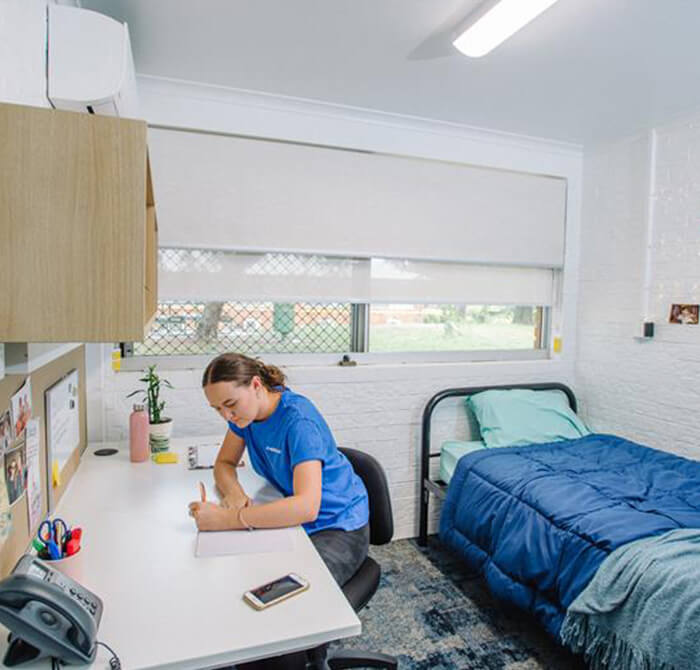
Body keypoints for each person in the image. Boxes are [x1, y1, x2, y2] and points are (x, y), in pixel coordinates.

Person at [189, 353, 371, 668]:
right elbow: (224, 463)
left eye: (230, 404)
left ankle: (301, 658)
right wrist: (234, 493)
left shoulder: (297, 420)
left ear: (256, 385)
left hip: (339, 525)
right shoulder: (246, 417)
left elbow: (307, 506)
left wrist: (228, 519)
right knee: (246, 593)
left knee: (280, 609)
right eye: (218, 409)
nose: (226, 415)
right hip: (295, 518)